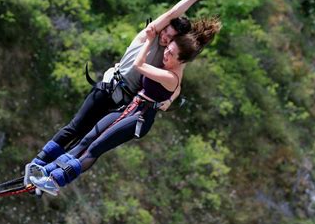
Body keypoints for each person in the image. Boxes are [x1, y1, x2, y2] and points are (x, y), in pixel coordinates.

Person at [27, 17, 222, 195]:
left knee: (95, 147)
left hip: (139, 119)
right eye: (168, 48)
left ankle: (56, 180)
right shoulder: (169, 63)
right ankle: (48, 170)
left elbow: (140, 65)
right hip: (129, 108)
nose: (166, 54)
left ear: (181, 61)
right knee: (87, 139)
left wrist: (148, 39)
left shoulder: (171, 75)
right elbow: (177, 37)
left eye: (170, 53)